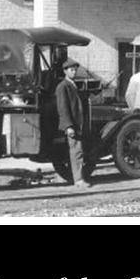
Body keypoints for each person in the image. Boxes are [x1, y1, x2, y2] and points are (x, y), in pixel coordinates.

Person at [55, 58, 89, 188]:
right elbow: (63, 108)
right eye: (71, 70)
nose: (74, 72)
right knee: (76, 152)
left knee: (78, 151)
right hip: (72, 125)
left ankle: (79, 179)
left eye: (75, 70)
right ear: (65, 71)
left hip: (76, 124)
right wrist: (68, 126)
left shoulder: (72, 85)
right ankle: (79, 180)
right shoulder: (63, 86)